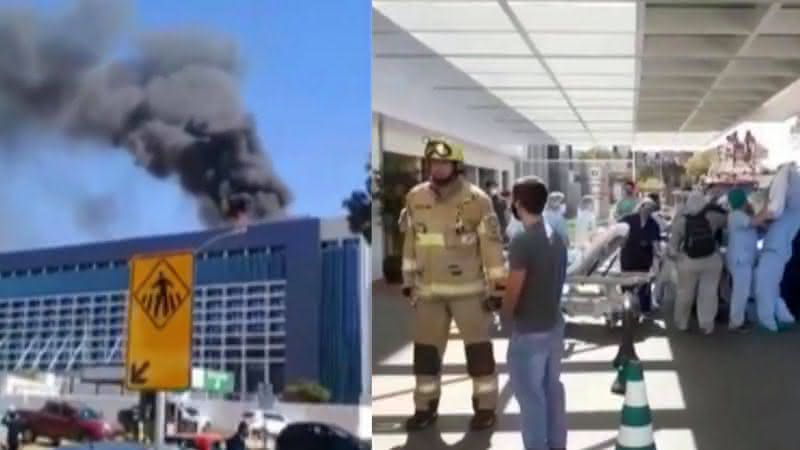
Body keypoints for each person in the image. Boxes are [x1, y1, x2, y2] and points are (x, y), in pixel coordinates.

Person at [400, 137, 507, 431]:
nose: (438, 167)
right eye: (433, 162)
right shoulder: (415, 197)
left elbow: (492, 248)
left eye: (444, 163)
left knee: (479, 355)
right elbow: (411, 240)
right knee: (425, 357)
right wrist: (408, 281)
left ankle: (485, 409)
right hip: (429, 294)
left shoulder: (477, 200)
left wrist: (498, 289)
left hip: (470, 294)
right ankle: (425, 409)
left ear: (456, 166)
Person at [502, 176, 567, 450]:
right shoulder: (556, 236)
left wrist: (503, 315)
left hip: (529, 332)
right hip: (554, 325)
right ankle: (556, 444)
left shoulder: (522, 241)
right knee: (552, 392)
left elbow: (514, 289)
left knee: (530, 400)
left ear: (518, 204)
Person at [669, 191, 727, 334]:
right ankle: (707, 324)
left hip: (689, 261)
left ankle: (682, 323)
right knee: (709, 293)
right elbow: (727, 219)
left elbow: (672, 247)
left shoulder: (681, 220)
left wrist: (677, 258)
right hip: (712, 260)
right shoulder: (713, 216)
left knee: (685, 293)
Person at [725, 188, 769, 332]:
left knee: (742, 291)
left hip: (743, 260)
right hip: (740, 261)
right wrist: (768, 207)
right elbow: (755, 222)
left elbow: (758, 225)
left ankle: (740, 317)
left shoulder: (741, 215)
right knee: (741, 292)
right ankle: (736, 323)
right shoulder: (737, 215)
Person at [618, 198, 662, 315]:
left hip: (644, 259)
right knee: (627, 283)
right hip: (628, 256)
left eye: (651, 208)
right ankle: (626, 308)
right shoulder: (628, 219)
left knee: (644, 284)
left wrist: (658, 255)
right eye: (646, 207)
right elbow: (617, 232)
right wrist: (620, 241)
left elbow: (656, 243)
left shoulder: (653, 224)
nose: (648, 210)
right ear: (640, 206)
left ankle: (644, 309)